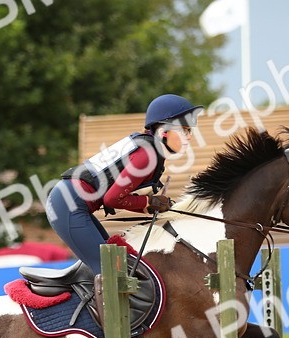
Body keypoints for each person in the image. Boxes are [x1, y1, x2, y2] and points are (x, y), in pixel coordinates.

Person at [45, 94, 202, 277]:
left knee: (117, 260)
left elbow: (115, 196)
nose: (189, 137)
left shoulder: (147, 149)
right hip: (68, 206)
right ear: (164, 131)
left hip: (69, 203)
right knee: (111, 273)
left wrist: (147, 205)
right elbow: (112, 199)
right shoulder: (147, 156)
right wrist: (147, 202)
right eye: (185, 130)